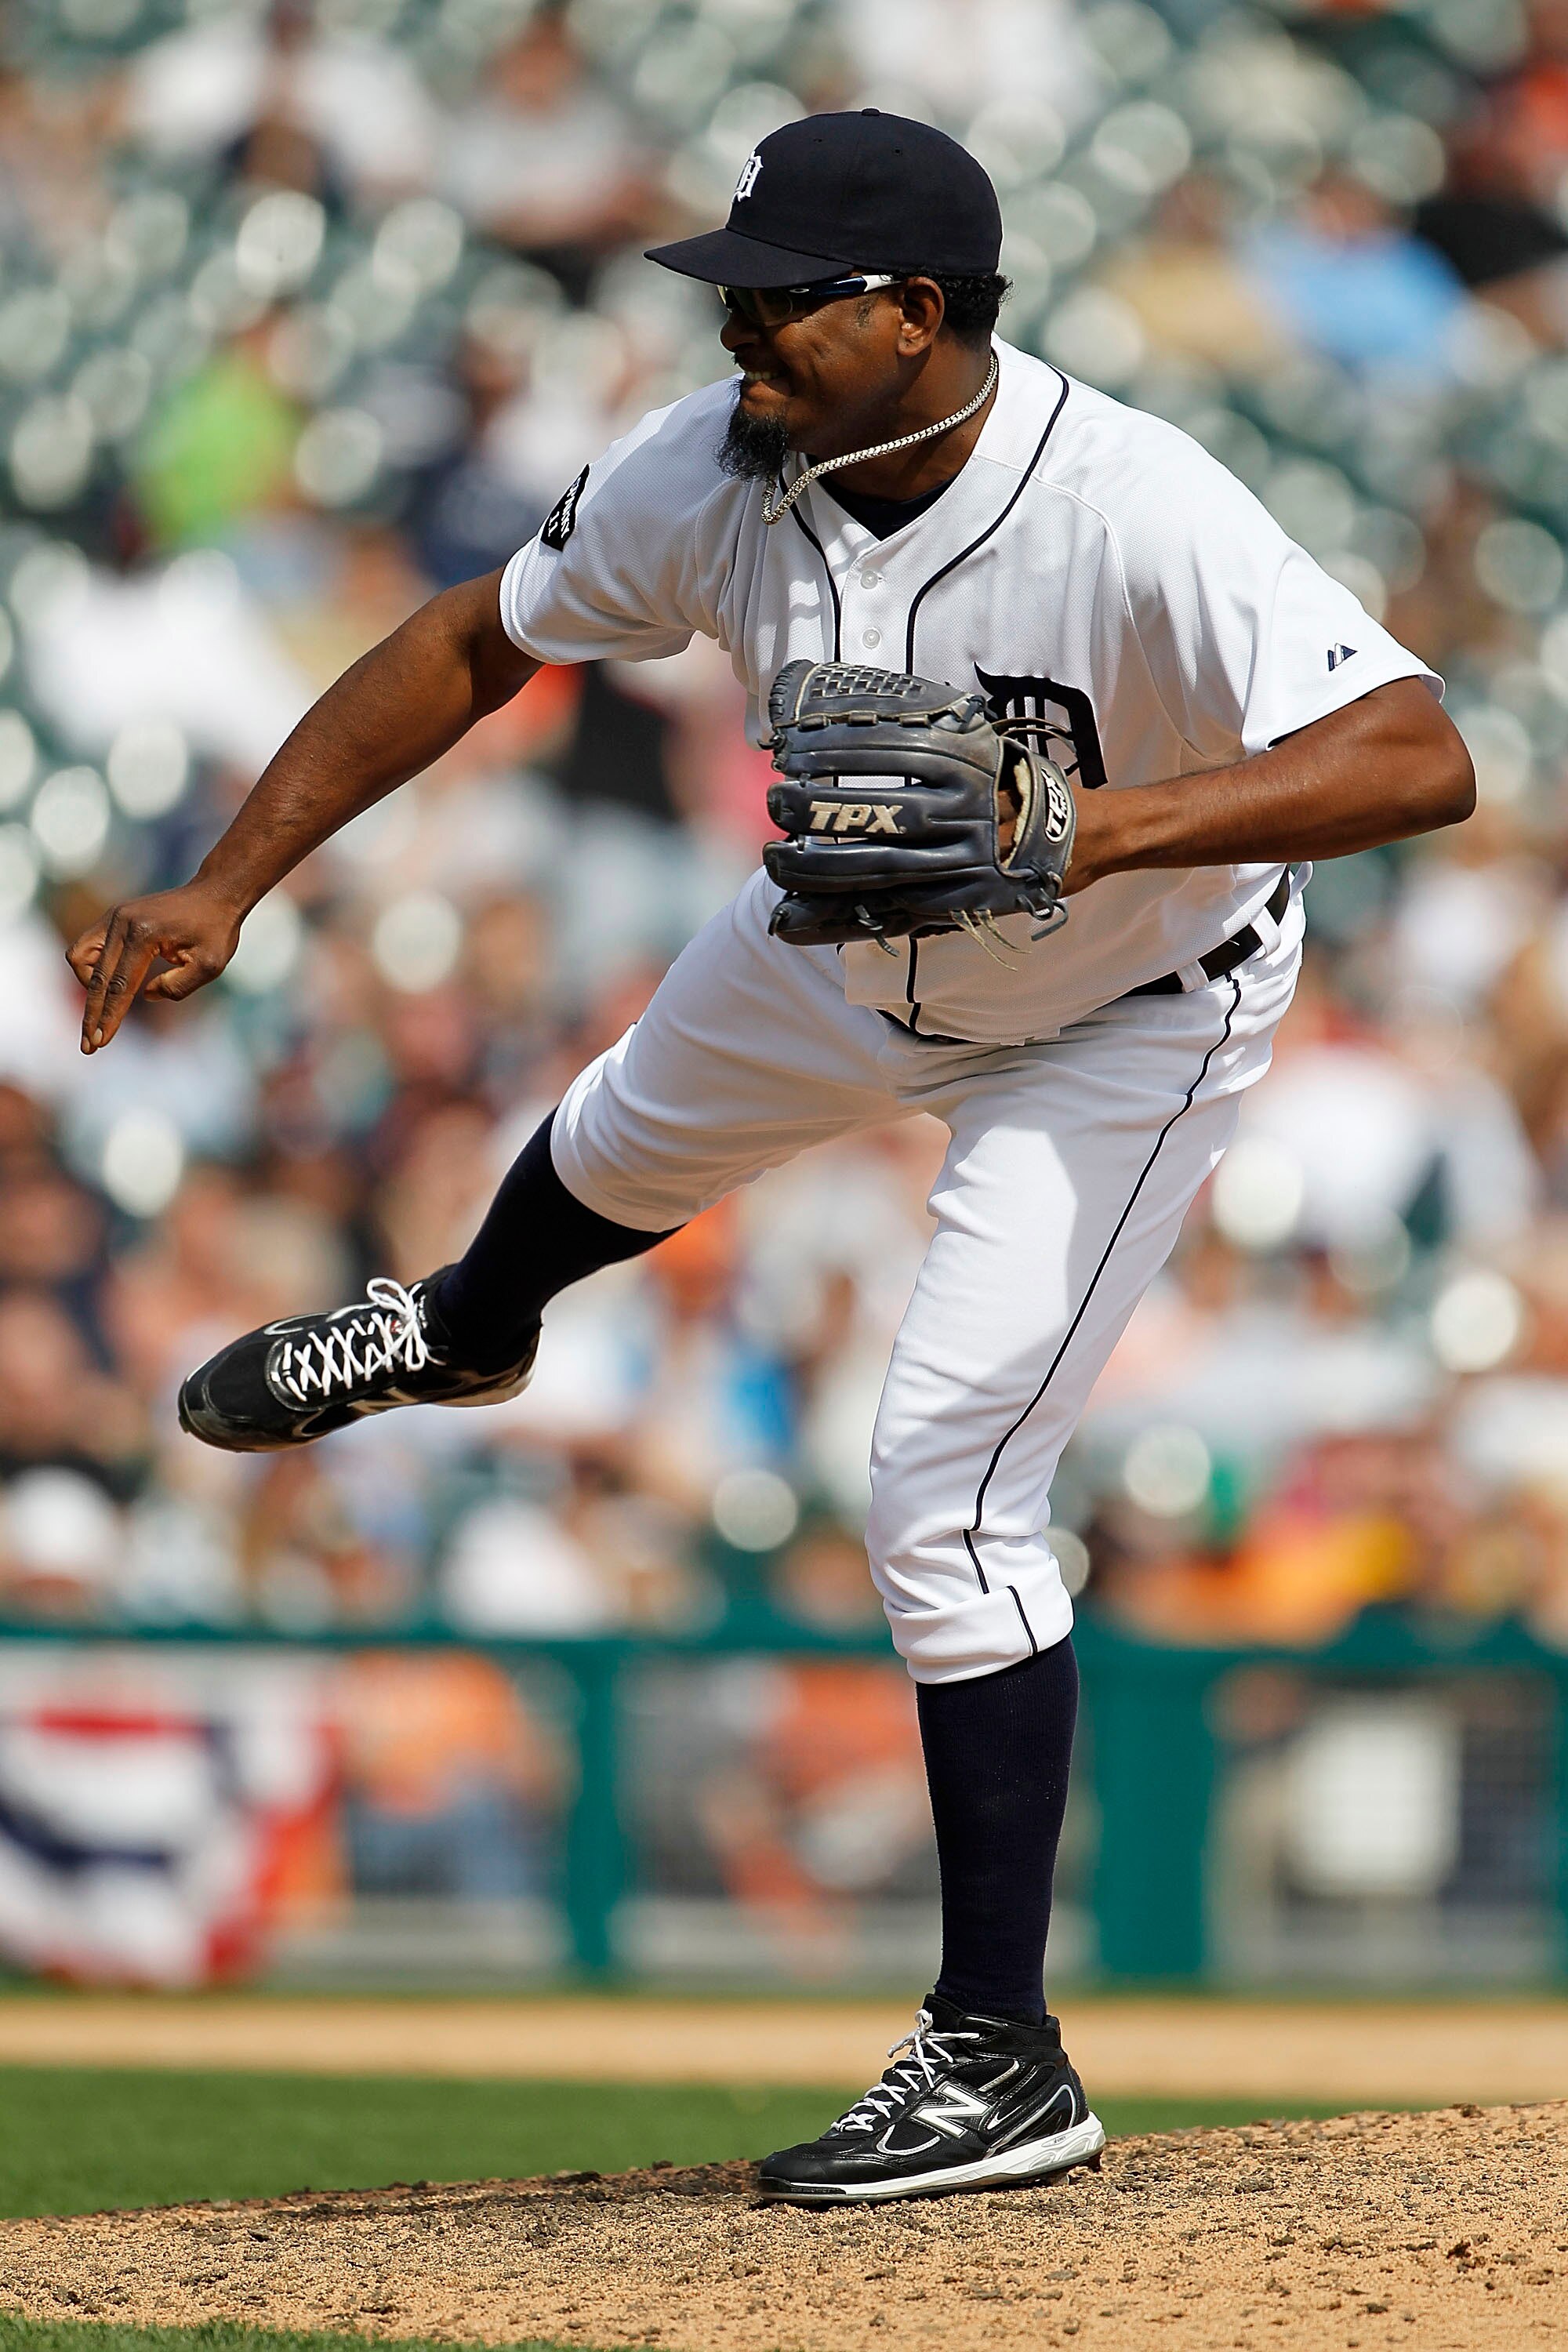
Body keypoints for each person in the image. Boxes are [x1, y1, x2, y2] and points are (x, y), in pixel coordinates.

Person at [68, 110, 1474, 2203]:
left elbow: (1420, 753)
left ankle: (1002, 2055)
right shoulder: (717, 466)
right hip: (842, 943)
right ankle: (465, 1327)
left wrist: (1095, 830)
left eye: (783, 293)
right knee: (614, 1132)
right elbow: (479, 638)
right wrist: (234, 882)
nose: (740, 323)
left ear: (918, 312)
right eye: (734, 286)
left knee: (942, 1492)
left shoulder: (1135, 503)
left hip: (1120, 1019)